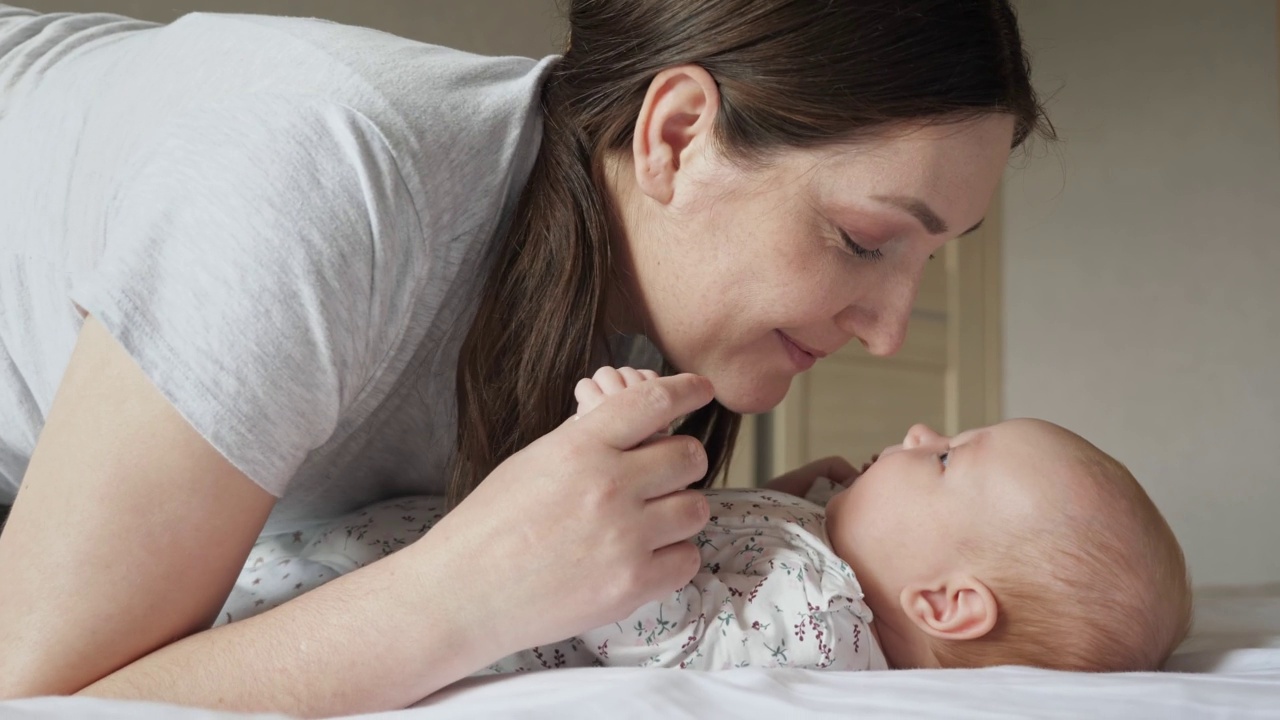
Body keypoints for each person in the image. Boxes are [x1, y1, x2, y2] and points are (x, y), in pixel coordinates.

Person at [0, 0, 1053, 714]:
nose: (884, 328)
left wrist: (721, 546)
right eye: (864, 241)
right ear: (676, 136)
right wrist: (460, 595)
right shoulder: (319, 183)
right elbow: (38, 698)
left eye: (923, 261)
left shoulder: (645, 313)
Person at [227, 367, 1191, 675]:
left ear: (945, 602)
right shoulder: (833, 573)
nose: (916, 431)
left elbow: (650, 622)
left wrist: (605, 448)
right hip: (372, 553)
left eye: (944, 459)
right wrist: (810, 505)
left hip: (346, 607)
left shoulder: (822, 647)